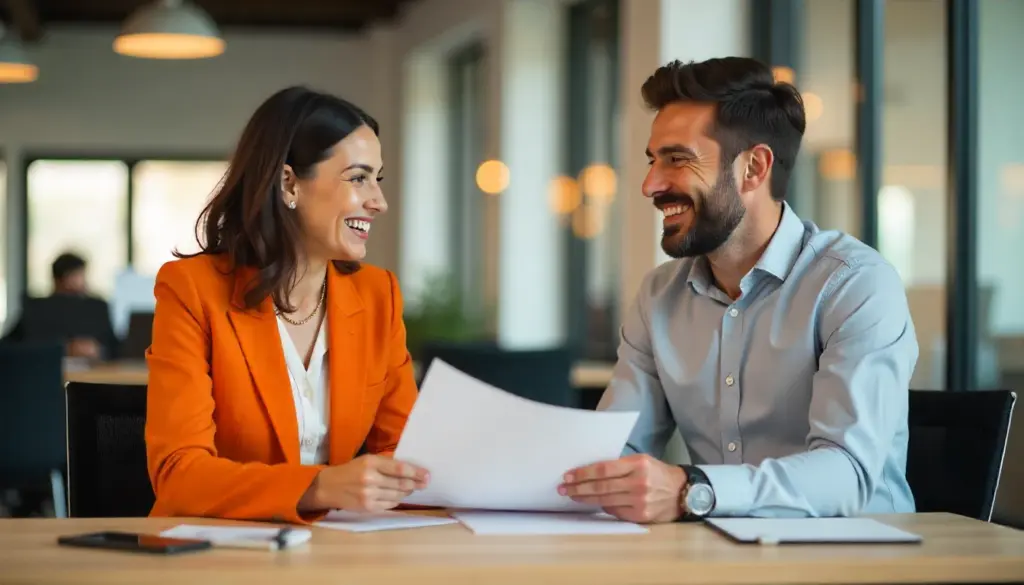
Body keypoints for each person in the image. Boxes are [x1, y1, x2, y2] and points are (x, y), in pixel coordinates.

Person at [559, 57, 918, 522]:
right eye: (653, 161)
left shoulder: (854, 285)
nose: (650, 185)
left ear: (753, 167)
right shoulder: (658, 298)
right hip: (718, 558)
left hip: (857, 562)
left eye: (677, 159)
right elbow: (613, 449)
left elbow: (846, 474)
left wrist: (694, 490)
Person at [146, 86, 429, 523]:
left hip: (336, 555)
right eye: (358, 178)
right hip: (218, 558)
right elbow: (179, 474)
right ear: (288, 182)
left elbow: (409, 456)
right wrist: (320, 487)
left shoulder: (379, 296)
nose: (379, 201)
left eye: (378, 178)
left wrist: (555, 487)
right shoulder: (191, 290)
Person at [1, 252, 117, 359]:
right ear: (65, 278)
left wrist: (98, 350)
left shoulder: (97, 307)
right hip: (45, 370)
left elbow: (115, 347)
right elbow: (11, 344)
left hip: (94, 373)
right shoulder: (37, 309)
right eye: (78, 275)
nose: (84, 281)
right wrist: (65, 348)